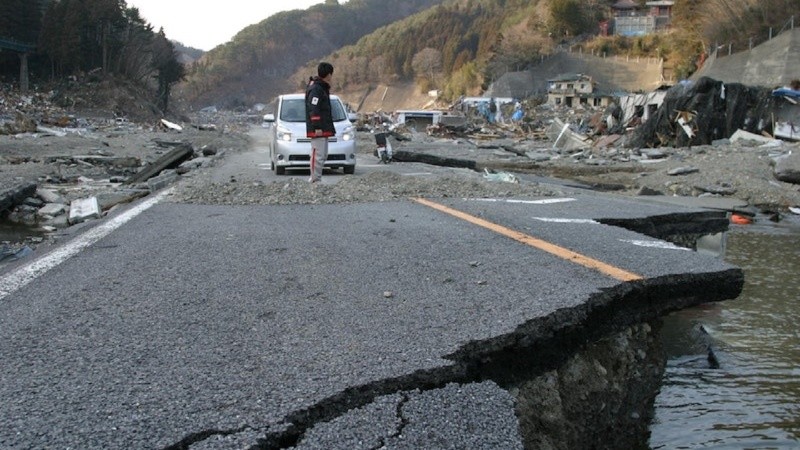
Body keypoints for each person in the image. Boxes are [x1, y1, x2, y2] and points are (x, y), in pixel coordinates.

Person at [305, 62, 335, 183]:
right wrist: (317, 126)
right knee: (317, 154)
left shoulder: (320, 87)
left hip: (323, 127)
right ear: (328, 75)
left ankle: (316, 177)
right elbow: (314, 108)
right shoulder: (316, 89)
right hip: (318, 128)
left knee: (322, 154)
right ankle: (314, 179)